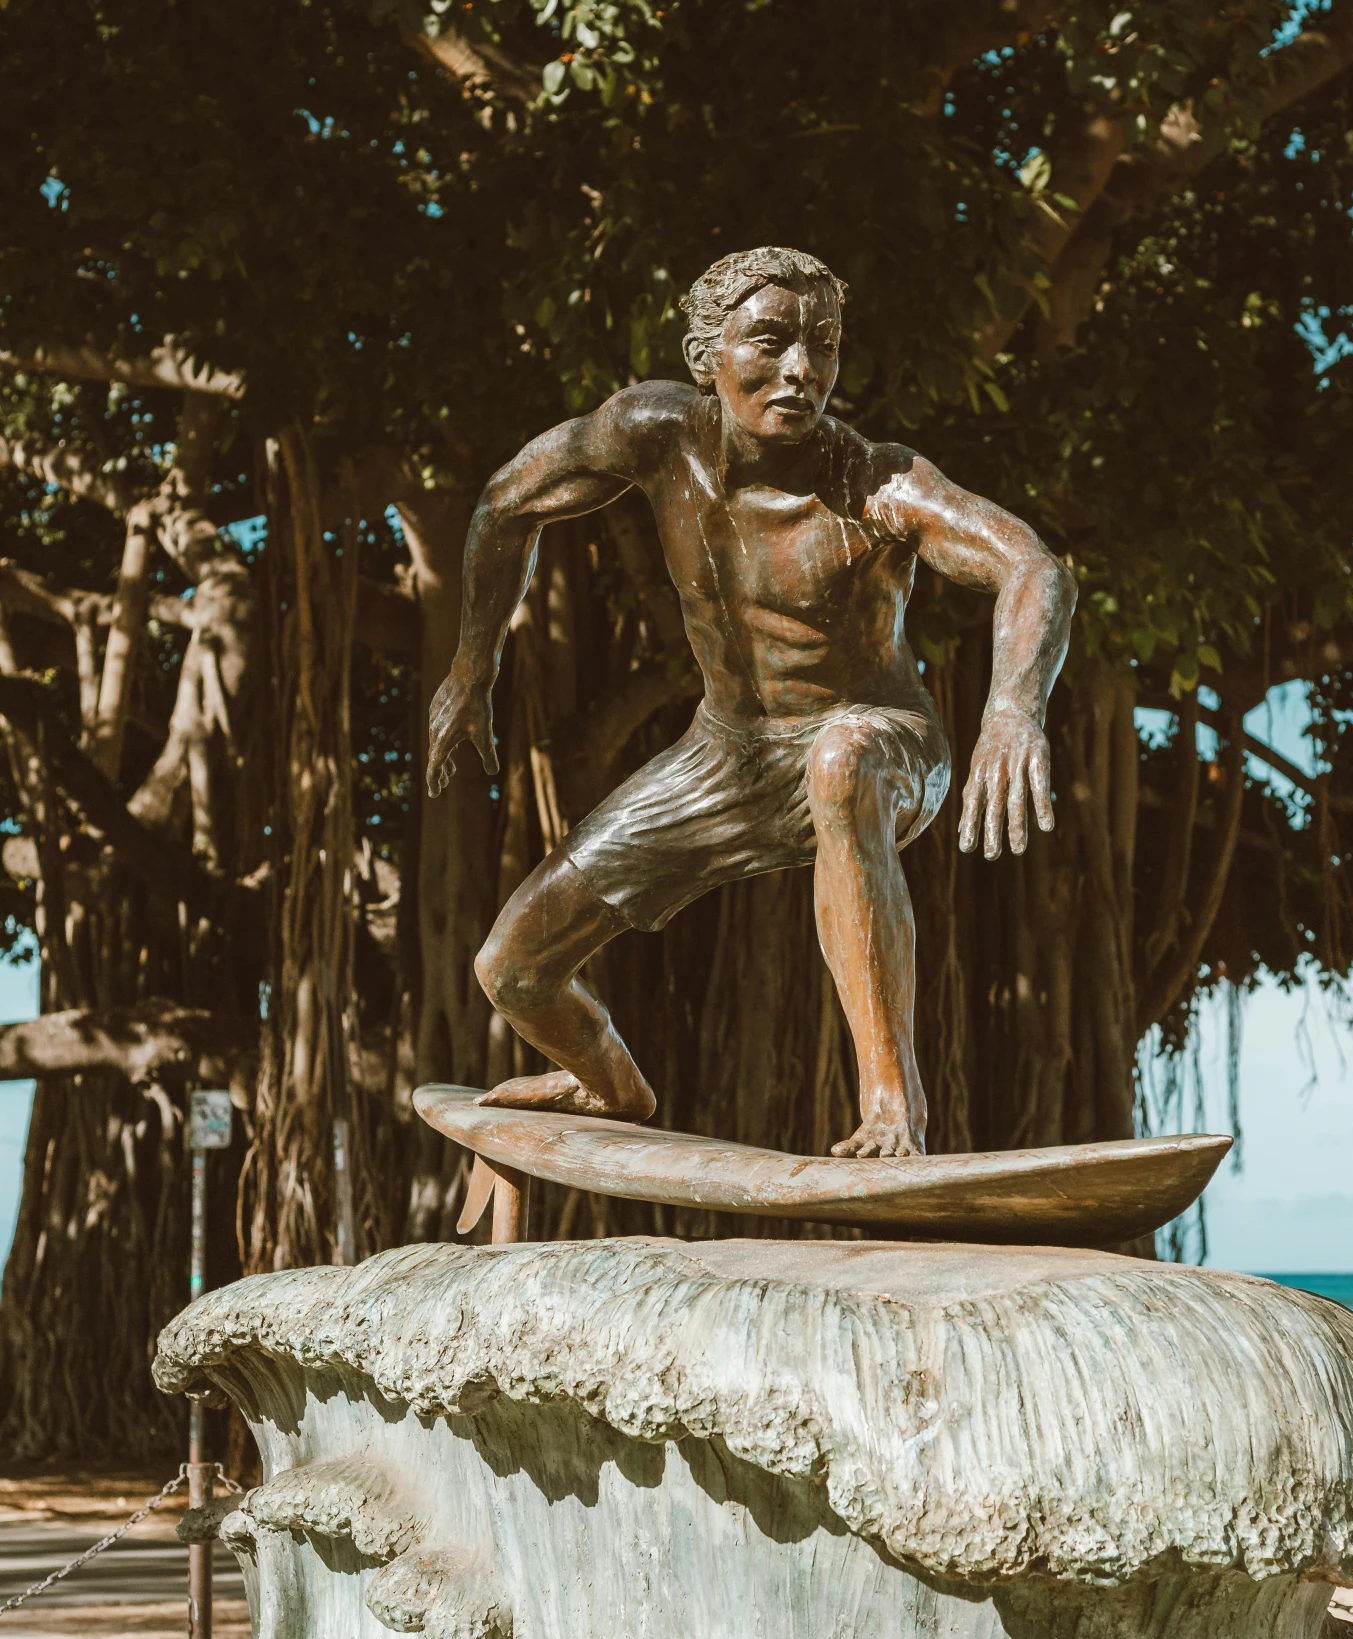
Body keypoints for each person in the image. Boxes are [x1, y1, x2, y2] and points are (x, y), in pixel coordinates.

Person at [426, 246, 1072, 1158]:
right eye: (769, 342)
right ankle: (610, 1087)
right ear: (707, 357)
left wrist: (1012, 705)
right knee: (512, 968)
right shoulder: (655, 433)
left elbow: (1030, 565)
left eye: (823, 347)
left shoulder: (876, 483)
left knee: (839, 761)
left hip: (880, 745)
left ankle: (894, 1104)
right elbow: (506, 501)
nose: (801, 370)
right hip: (725, 755)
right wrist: (472, 664)